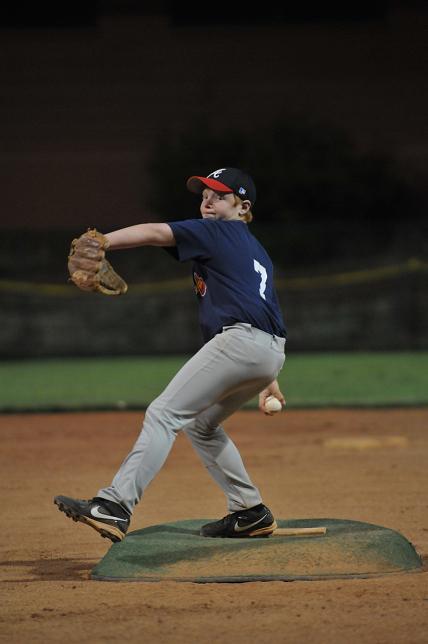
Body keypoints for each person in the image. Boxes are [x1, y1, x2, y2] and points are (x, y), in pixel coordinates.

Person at [55, 167, 287, 542]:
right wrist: (267, 375)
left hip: (242, 344)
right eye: (205, 194)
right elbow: (263, 311)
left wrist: (104, 242)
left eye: (220, 195)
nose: (208, 200)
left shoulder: (218, 231)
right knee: (201, 425)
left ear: (243, 207)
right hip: (267, 351)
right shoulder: (255, 250)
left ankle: (114, 506)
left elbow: (152, 231)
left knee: (164, 414)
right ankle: (250, 511)